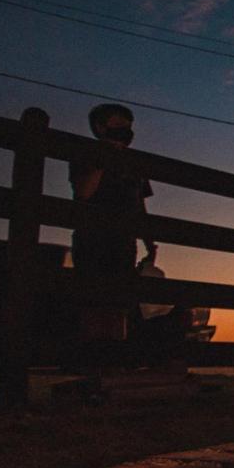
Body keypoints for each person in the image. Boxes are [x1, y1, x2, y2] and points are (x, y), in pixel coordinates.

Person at [69, 104, 156, 351]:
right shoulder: (85, 153)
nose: (125, 132)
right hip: (92, 237)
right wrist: (104, 160)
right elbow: (83, 192)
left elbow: (140, 204)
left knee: (121, 303)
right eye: (118, 126)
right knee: (93, 300)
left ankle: (114, 362)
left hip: (125, 242)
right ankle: (94, 363)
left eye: (128, 127)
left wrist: (149, 241)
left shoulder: (135, 163)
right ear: (100, 127)